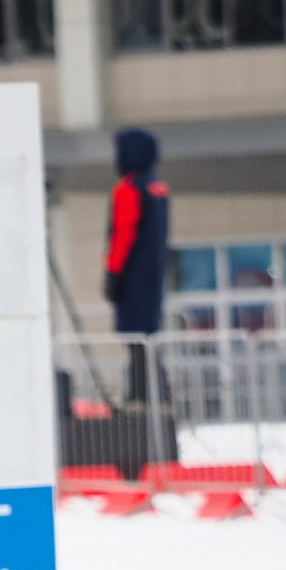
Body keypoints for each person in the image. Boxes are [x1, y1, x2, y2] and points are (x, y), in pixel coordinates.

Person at [104, 127, 170, 411]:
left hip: (133, 281)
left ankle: (140, 398)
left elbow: (123, 235)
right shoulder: (158, 189)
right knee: (148, 344)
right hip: (153, 281)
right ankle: (158, 396)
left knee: (136, 344)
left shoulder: (128, 190)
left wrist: (113, 274)